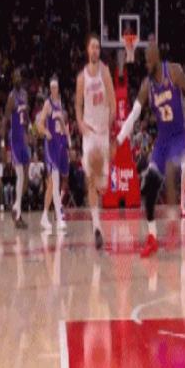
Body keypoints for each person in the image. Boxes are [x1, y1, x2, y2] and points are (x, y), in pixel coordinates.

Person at [116, 43, 185, 257]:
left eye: (148, 59)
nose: (146, 63)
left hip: (179, 136)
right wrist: (118, 140)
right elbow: (133, 115)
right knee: (149, 188)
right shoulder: (147, 86)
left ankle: (173, 221)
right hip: (163, 141)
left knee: (172, 169)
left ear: (156, 58)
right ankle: (152, 238)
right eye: (145, 60)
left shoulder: (173, 71)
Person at [75, 33, 116, 249]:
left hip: (103, 132)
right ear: (87, 50)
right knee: (91, 179)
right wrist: (80, 123)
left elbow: (113, 102)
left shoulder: (105, 72)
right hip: (90, 133)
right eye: (92, 47)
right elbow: (77, 105)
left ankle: (97, 219)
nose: (95, 50)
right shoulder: (81, 78)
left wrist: (110, 121)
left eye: (98, 47)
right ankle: (97, 227)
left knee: (103, 186)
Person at [38, 77, 69, 230]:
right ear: (50, 89)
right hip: (51, 146)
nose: (53, 89)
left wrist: (64, 130)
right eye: (51, 87)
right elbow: (39, 124)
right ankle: (59, 218)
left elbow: (62, 126)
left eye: (55, 87)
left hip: (60, 145)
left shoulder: (60, 103)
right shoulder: (47, 104)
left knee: (52, 185)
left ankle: (44, 216)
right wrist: (46, 132)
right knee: (55, 182)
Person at [2, 69, 30, 229]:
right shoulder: (11, 97)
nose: (18, 79)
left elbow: (26, 116)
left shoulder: (25, 94)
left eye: (20, 76)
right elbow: (5, 120)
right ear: (12, 80)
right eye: (15, 77)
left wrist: (30, 131)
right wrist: (3, 145)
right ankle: (17, 213)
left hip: (23, 138)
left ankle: (15, 206)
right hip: (14, 139)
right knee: (20, 175)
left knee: (25, 176)